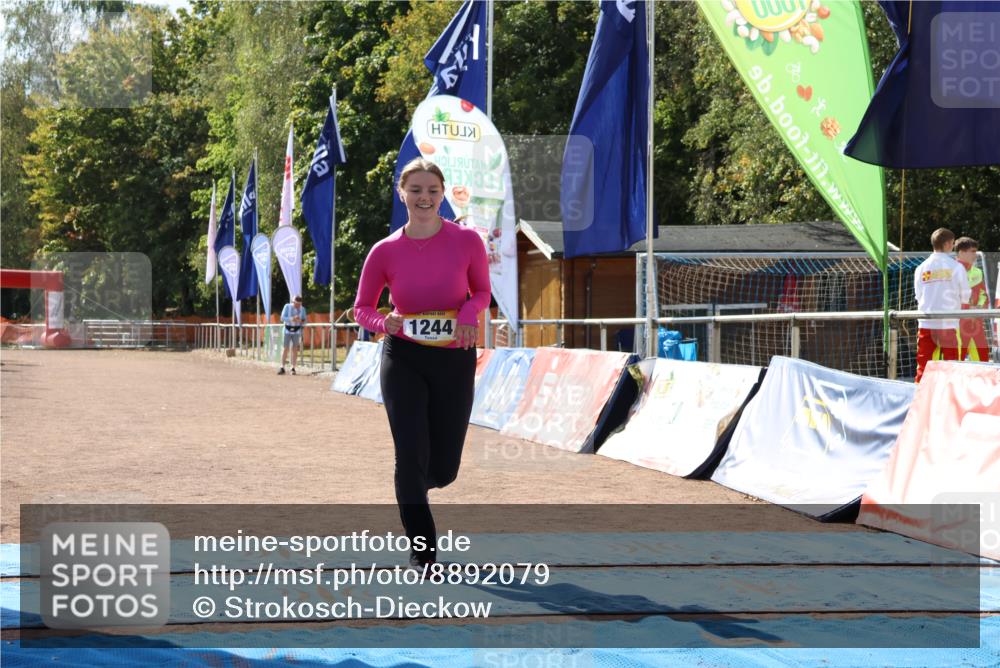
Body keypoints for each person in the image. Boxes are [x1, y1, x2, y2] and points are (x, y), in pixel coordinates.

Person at [353, 158, 490, 570]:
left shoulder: (467, 241)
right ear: (402, 194)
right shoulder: (384, 250)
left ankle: (416, 485)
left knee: (444, 469)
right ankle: (423, 551)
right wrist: (384, 322)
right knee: (409, 454)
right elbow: (361, 309)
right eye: (415, 190)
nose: (424, 197)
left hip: (454, 357)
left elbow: (482, 293)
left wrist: (467, 314)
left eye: (432, 190)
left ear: (443, 194)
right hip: (404, 357)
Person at [913, 228, 970, 382]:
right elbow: (965, 296)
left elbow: (918, 296)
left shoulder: (921, 268)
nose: (953, 246)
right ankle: (951, 395)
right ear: (947, 244)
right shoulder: (956, 267)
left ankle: (919, 394)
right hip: (949, 324)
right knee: (953, 367)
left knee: (923, 367)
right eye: (952, 243)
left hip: (926, 323)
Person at [954, 237, 989, 362]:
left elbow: (983, 295)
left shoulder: (977, 272)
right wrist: (968, 308)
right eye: (972, 251)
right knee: (957, 358)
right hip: (957, 323)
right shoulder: (951, 270)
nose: (975, 254)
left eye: (976, 251)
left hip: (976, 322)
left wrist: (978, 308)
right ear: (961, 252)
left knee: (983, 356)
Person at [278, 295, 306, 375]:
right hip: (287, 329)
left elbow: (304, 320)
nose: (297, 306)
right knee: (285, 348)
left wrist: (300, 321)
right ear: (293, 302)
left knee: (295, 349)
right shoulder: (287, 306)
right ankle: (282, 367)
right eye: (296, 304)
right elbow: (282, 318)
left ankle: (293, 368)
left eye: (299, 304)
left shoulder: (302, 309)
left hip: (297, 331)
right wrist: (292, 319)